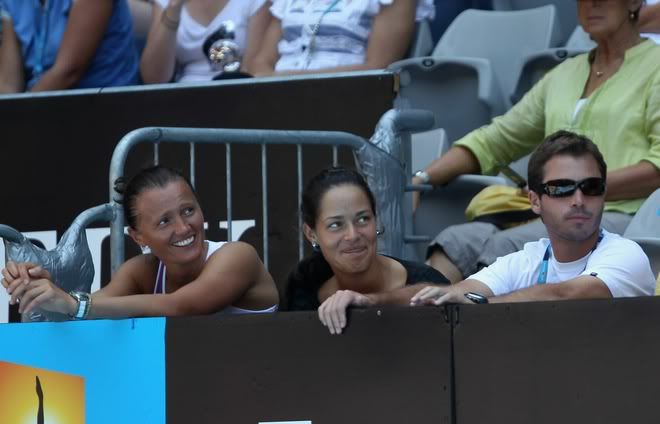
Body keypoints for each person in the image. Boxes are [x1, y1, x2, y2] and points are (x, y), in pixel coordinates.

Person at [414, 0, 660, 283]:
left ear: (634, 2)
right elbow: (497, 139)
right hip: (550, 214)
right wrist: (423, 178)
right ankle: (430, 323)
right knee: (455, 242)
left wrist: (568, 191)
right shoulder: (565, 73)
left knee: (504, 248)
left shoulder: (656, 66)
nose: (591, 5)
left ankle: (477, 322)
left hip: (625, 214)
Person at [410, 131, 656, 306]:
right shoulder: (527, 259)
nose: (579, 199)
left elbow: (569, 296)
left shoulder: (627, 254)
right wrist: (376, 299)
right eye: (562, 188)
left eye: (591, 187)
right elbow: (459, 291)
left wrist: (481, 304)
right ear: (535, 201)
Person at [1, 166, 279, 318]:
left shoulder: (238, 256)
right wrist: (45, 290)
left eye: (188, 211)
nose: (184, 227)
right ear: (138, 237)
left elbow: (181, 307)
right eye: (164, 221)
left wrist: (73, 303)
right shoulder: (140, 271)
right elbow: (85, 312)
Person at [285, 166, 449, 334]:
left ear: (376, 220)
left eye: (363, 219)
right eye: (335, 225)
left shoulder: (427, 280)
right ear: (311, 234)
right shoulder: (303, 290)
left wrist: (372, 302)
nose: (353, 235)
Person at [249, 0, 435, 76]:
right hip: (274, 98)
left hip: (346, 99)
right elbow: (260, 62)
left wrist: (288, 81)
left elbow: (377, 68)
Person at [0, 0, 139, 93]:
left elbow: (68, 73)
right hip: (41, 110)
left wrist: (19, 115)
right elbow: (8, 84)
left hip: (103, 108)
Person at [139, 0, 270, 83]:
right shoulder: (164, 3)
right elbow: (153, 79)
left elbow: (252, 73)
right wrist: (174, 8)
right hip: (183, 96)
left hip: (236, 95)